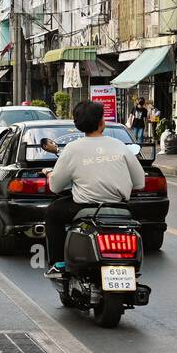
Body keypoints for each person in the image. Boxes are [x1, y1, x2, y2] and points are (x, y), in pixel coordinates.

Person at [43, 100, 146, 278]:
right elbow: (139, 183)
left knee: (52, 212)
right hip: (120, 207)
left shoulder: (71, 149)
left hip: (84, 208)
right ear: (101, 122)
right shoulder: (119, 145)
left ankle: (59, 263)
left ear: (78, 124)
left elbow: (55, 186)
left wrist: (49, 175)